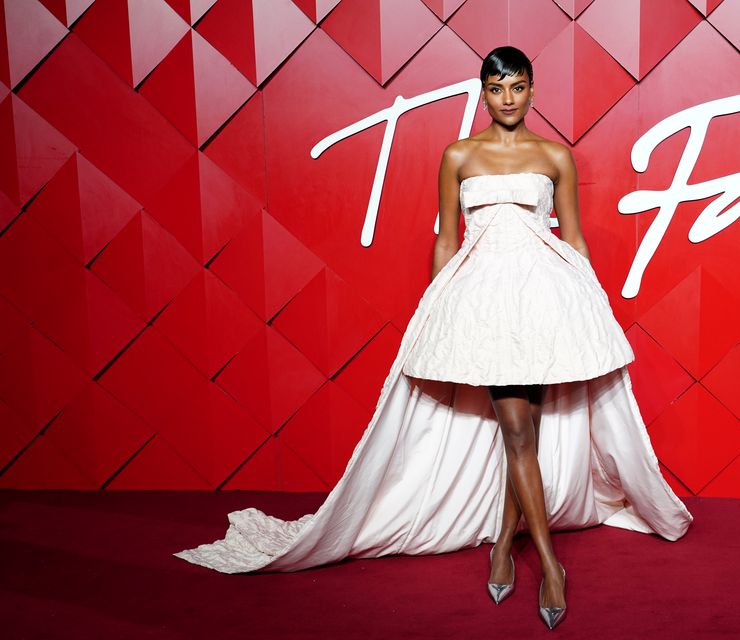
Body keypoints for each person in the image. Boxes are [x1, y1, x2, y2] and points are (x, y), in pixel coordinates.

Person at [174, 46, 693, 632]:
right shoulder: (457, 154)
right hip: (483, 306)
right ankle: (550, 565)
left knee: (528, 432)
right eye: (497, 89)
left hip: (548, 303)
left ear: (532, 89)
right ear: (483, 91)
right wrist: (439, 309)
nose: (508, 99)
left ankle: (504, 544)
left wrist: (589, 309)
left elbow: (573, 240)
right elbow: (447, 238)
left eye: (518, 87)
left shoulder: (555, 156)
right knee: (519, 430)